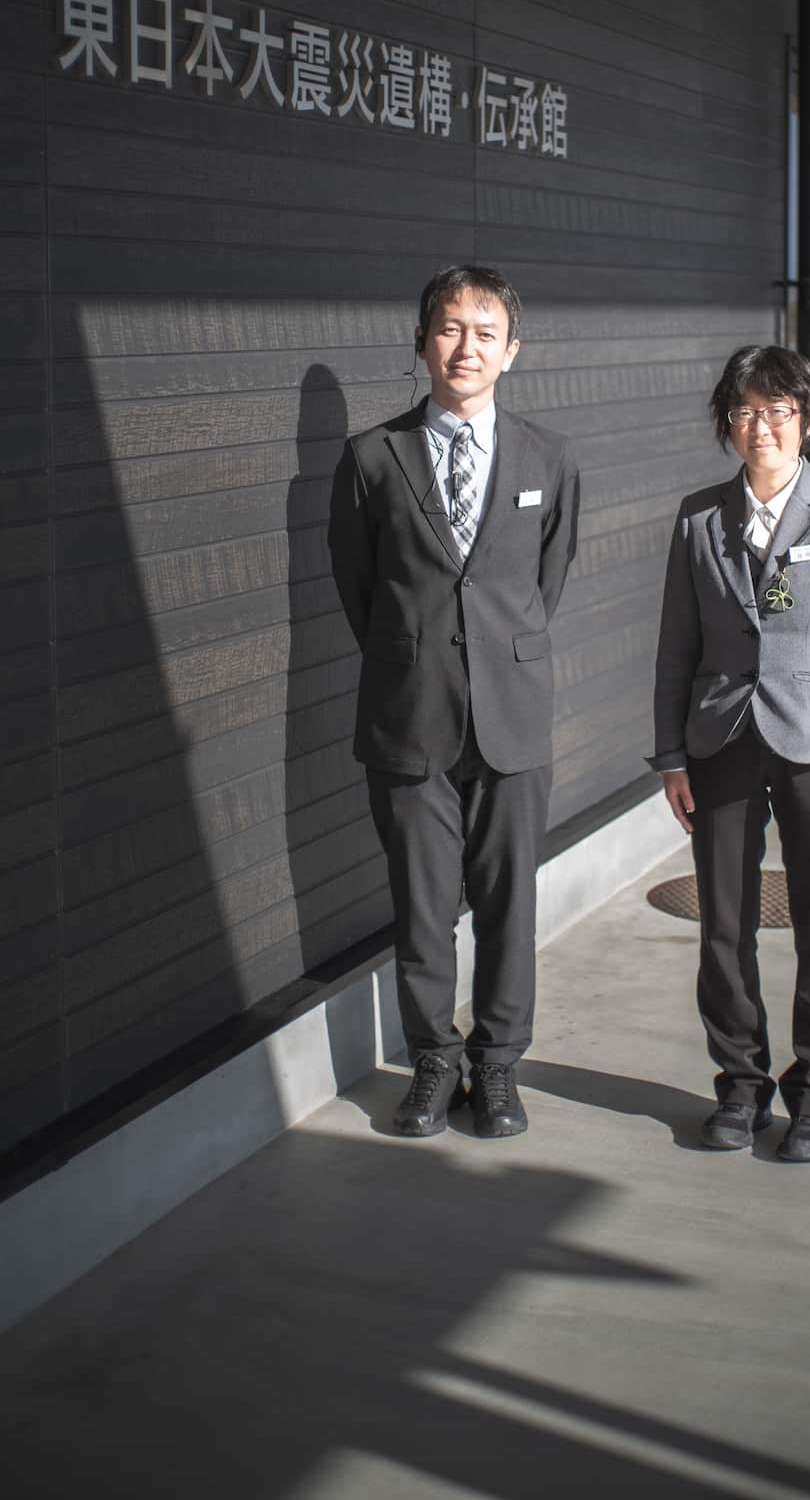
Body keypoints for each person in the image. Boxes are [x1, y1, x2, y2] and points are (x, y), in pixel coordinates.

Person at [329, 267, 579, 1139]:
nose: (464, 345)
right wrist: (420, 662)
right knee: (423, 904)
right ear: (423, 340)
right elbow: (360, 593)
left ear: (512, 351)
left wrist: (493, 658)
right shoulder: (371, 458)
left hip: (514, 718)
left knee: (510, 904)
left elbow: (544, 583)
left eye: (484, 331)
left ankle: (499, 1067)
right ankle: (434, 1061)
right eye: (448, 328)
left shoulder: (547, 458)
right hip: (409, 719)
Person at [649, 346, 810, 1164]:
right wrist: (670, 757)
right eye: (748, 412)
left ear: (807, 420)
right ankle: (742, 1087)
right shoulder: (697, 518)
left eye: (779, 411)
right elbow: (674, 650)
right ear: (729, 424)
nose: (764, 427)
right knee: (724, 925)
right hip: (719, 739)